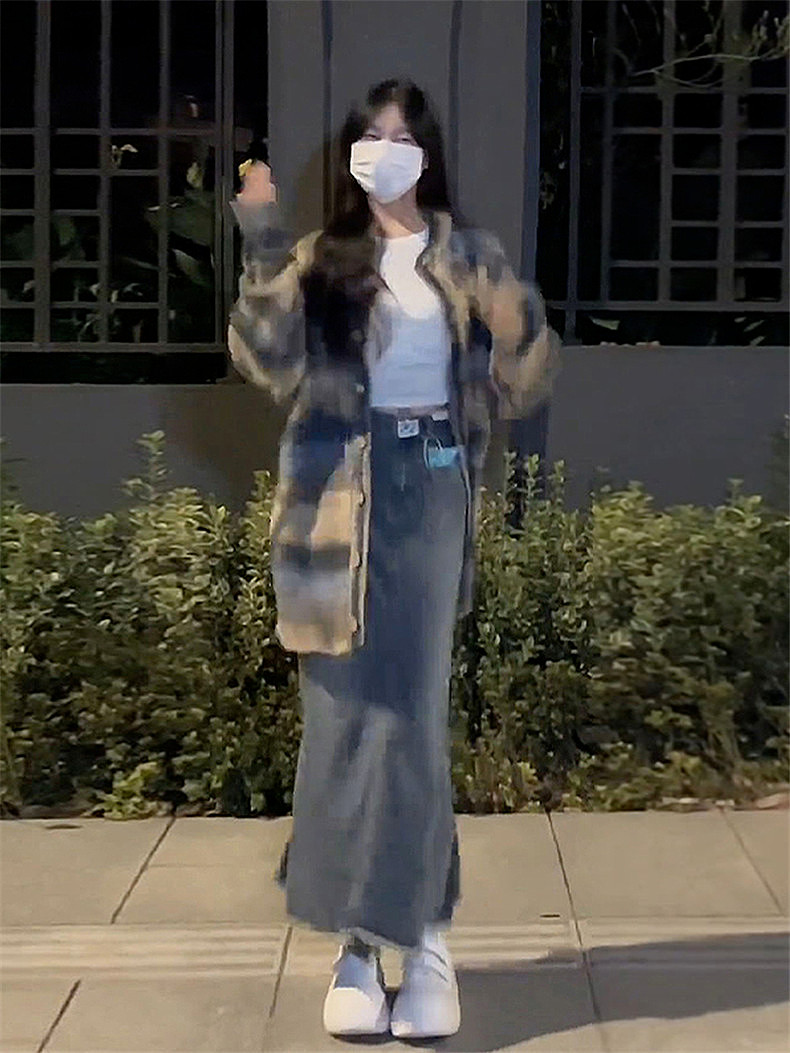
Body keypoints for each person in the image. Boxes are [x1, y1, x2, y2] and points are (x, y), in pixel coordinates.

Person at [227, 78, 560, 1039]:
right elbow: (265, 359)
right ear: (351, 153)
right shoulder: (320, 259)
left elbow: (525, 379)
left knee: (410, 719)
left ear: (428, 152)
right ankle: (356, 948)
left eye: (403, 136)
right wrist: (260, 236)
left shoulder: (469, 255)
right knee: (339, 721)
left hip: (430, 484)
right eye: (371, 136)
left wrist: (512, 322)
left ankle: (427, 941)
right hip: (331, 497)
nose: (386, 151)